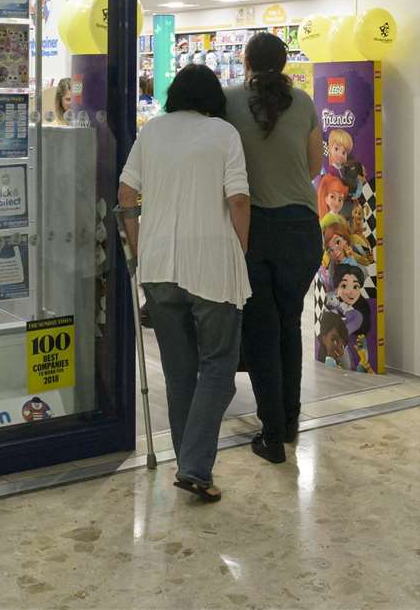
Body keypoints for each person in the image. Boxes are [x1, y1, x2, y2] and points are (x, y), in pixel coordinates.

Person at [118, 64, 250, 503]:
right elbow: (238, 199)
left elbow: (125, 195)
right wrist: (240, 250)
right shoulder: (224, 134)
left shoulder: (152, 132)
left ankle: (188, 464)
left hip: (158, 267)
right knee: (218, 368)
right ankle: (194, 466)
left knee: (178, 374)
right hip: (211, 265)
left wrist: (139, 245)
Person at [223, 32, 322, 465]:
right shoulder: (303, 102)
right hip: (303, 227)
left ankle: (273, 430)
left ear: (244, 61)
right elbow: (315, 165)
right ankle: (291, 418)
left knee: (262, 329)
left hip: (256, 228)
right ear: (284, 62)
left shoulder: (228, 100)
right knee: (288, 323)